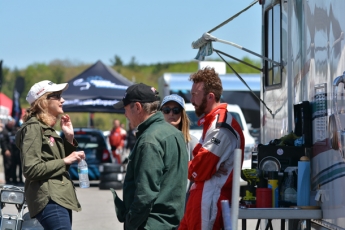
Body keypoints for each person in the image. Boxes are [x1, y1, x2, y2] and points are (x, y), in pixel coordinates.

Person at [111, 83, 188, 229]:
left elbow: (145, 195)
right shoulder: (175, 133)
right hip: (171, 223)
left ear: (138, 107)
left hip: (150, 224)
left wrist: (130, 223)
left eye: (126, 109)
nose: (125, 115)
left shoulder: (149, 139)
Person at [179, 68, 245, 230]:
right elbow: (198, 161)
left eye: (195, 94)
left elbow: (200, 168)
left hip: (209, 200)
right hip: (201, 197)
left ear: (210, 97)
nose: (191, 99)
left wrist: (184, 167)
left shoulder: (220, 126)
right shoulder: (211, 122)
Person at [15, 80, 85, 230]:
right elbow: (31, 169)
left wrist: (69, 138)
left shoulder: (47, 128)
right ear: (43, 101)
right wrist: (66, 160)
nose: (63, 100)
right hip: (49, 198)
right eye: (57, 96)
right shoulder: (34, 128)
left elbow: (55, 161)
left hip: (59, 196)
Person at [160, 94, 198, 190]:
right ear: (161, 113)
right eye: (166, 110)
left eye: (176, 110)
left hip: (184, 200)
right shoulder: (155, 141)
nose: (171, 114)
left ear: (182, 114)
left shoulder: (192, 142)